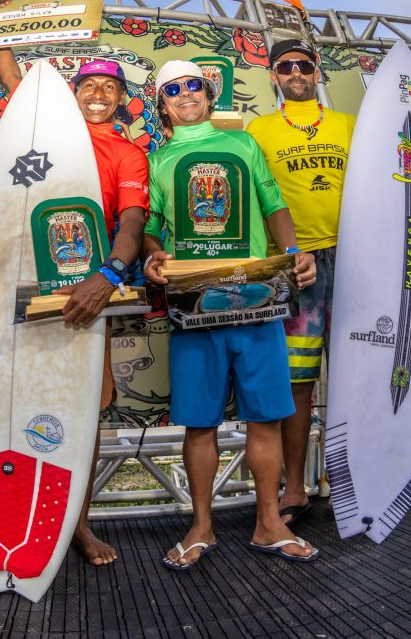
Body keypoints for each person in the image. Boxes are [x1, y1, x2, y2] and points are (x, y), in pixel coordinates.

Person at [246, 40, 411, 525]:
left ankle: (357, 474)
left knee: (369, 367)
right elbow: (254, 198)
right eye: (285, 66)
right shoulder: (258, 130)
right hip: (297, 267)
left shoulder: (352, 127)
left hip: (360, 263)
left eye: (304, 65)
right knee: (298, 382)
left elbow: (406, 180)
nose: (295, 73)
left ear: (317, 72)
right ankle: (295, 488)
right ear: (273, 75)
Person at [141, 60, 319, 570]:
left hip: (257, 296)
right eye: (173, 89)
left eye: (194, 84)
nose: (186, 94)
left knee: (265, 416)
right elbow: (152, 225)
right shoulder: (158, 159)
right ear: (163, 104)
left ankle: (269, 523)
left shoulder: (243, 145)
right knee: (199, 424)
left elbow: (273, 204)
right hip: (193, 299)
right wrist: (153, 255)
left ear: (208, 92)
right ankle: (201, 525)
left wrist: (294, 254)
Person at [0, 9, 150, 566]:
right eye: (89, 85)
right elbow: (12, 79)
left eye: (111, 87)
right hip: (27, 286)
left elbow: (132, 223)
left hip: (89, 292)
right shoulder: (46, 128)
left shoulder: (129, 152)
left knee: (87, 409)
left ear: (122, 98)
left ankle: (77, 526)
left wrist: (108, 277)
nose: (100, 94)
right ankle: (21, 518)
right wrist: (1, 26)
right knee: (19, 402)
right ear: (73, 92)